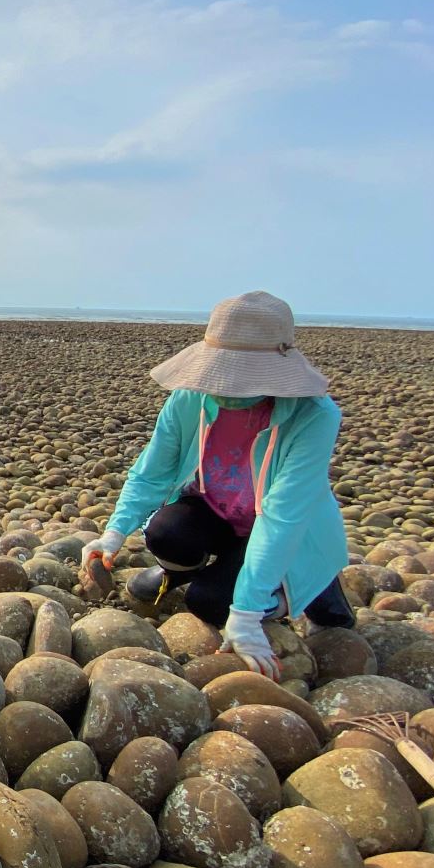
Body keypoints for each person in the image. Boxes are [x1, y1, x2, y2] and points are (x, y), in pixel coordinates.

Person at [80, 291, 353, 679]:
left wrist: (245, 615)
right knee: (165, 532)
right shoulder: (190, 399)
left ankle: (315, 584)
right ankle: (189, 571)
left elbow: (282, 518)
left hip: (281, 530)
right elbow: (152, 471)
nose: (225, 387)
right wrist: (113, 533)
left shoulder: (314, 416)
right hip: (218, 513)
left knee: (210, 604)